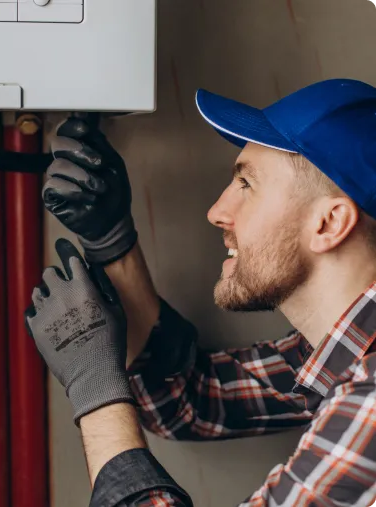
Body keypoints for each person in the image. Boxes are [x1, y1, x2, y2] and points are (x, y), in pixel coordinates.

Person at [25, 78, 376, 506]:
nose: (216, 212)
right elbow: (188, 402)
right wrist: (112, 242)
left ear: (328, 224)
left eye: (247, 185)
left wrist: (94, 387)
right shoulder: (341, 352)